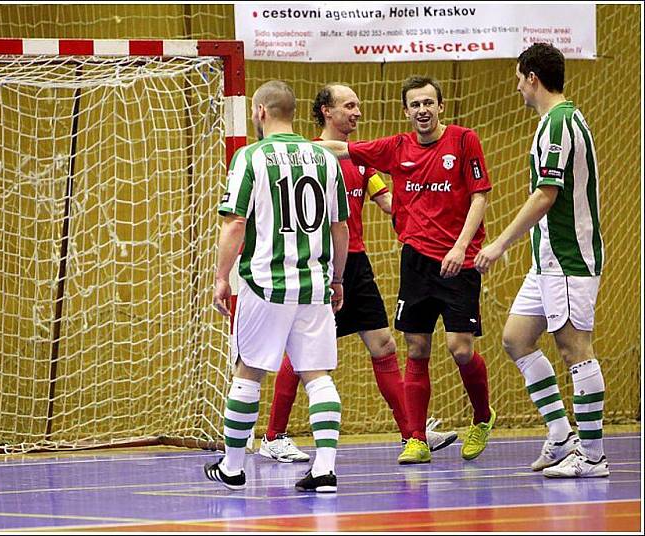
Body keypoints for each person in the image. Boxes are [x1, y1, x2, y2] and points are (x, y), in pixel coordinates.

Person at [257, 84, 458, 465]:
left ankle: (412, 432)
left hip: (358, 265)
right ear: (326, 112)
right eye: (349, 106)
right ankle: (273, 435)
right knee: (303, 352)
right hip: (322, 263)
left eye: (358, 106)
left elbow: (391, 203)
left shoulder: (362, 161)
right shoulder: (311, 157)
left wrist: (434, 207)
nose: (357, 113)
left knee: (384, 346)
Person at [317, 76, 495, 464]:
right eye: (415, 105)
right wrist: (288, 145)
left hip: (458, 261)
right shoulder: (397, 147)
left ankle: (482, 417)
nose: (423, 111)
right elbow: (341, 149)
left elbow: (480, 196)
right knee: (416, 347)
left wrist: (461, 246)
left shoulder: (465, 140)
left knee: (460, 348)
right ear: (406, 111)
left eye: (429, 103)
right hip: (415, 261)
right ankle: (415, 438)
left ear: (441, 107)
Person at [204, 80, 350, 493]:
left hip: (265, 283)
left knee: (247, 372)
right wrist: (337, 278)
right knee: (317, 375)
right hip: (314, 285)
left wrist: (220, 278)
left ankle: (232, 467)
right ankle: (325, 467)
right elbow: (340, 226)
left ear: (261, 111)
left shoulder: (249, 157)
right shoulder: (325, 160)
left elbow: (235, 223)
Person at [475, 43, 608, 478]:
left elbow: (545, 195)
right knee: (515, 338)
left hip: (569, 257)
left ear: (532, 77)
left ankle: (592, 456)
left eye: (518, 78)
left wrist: (500, 244)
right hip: (547, 260)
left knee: (575, 349)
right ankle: (561, 435)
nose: (516, 87)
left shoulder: (559, 122)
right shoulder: (557, 121)